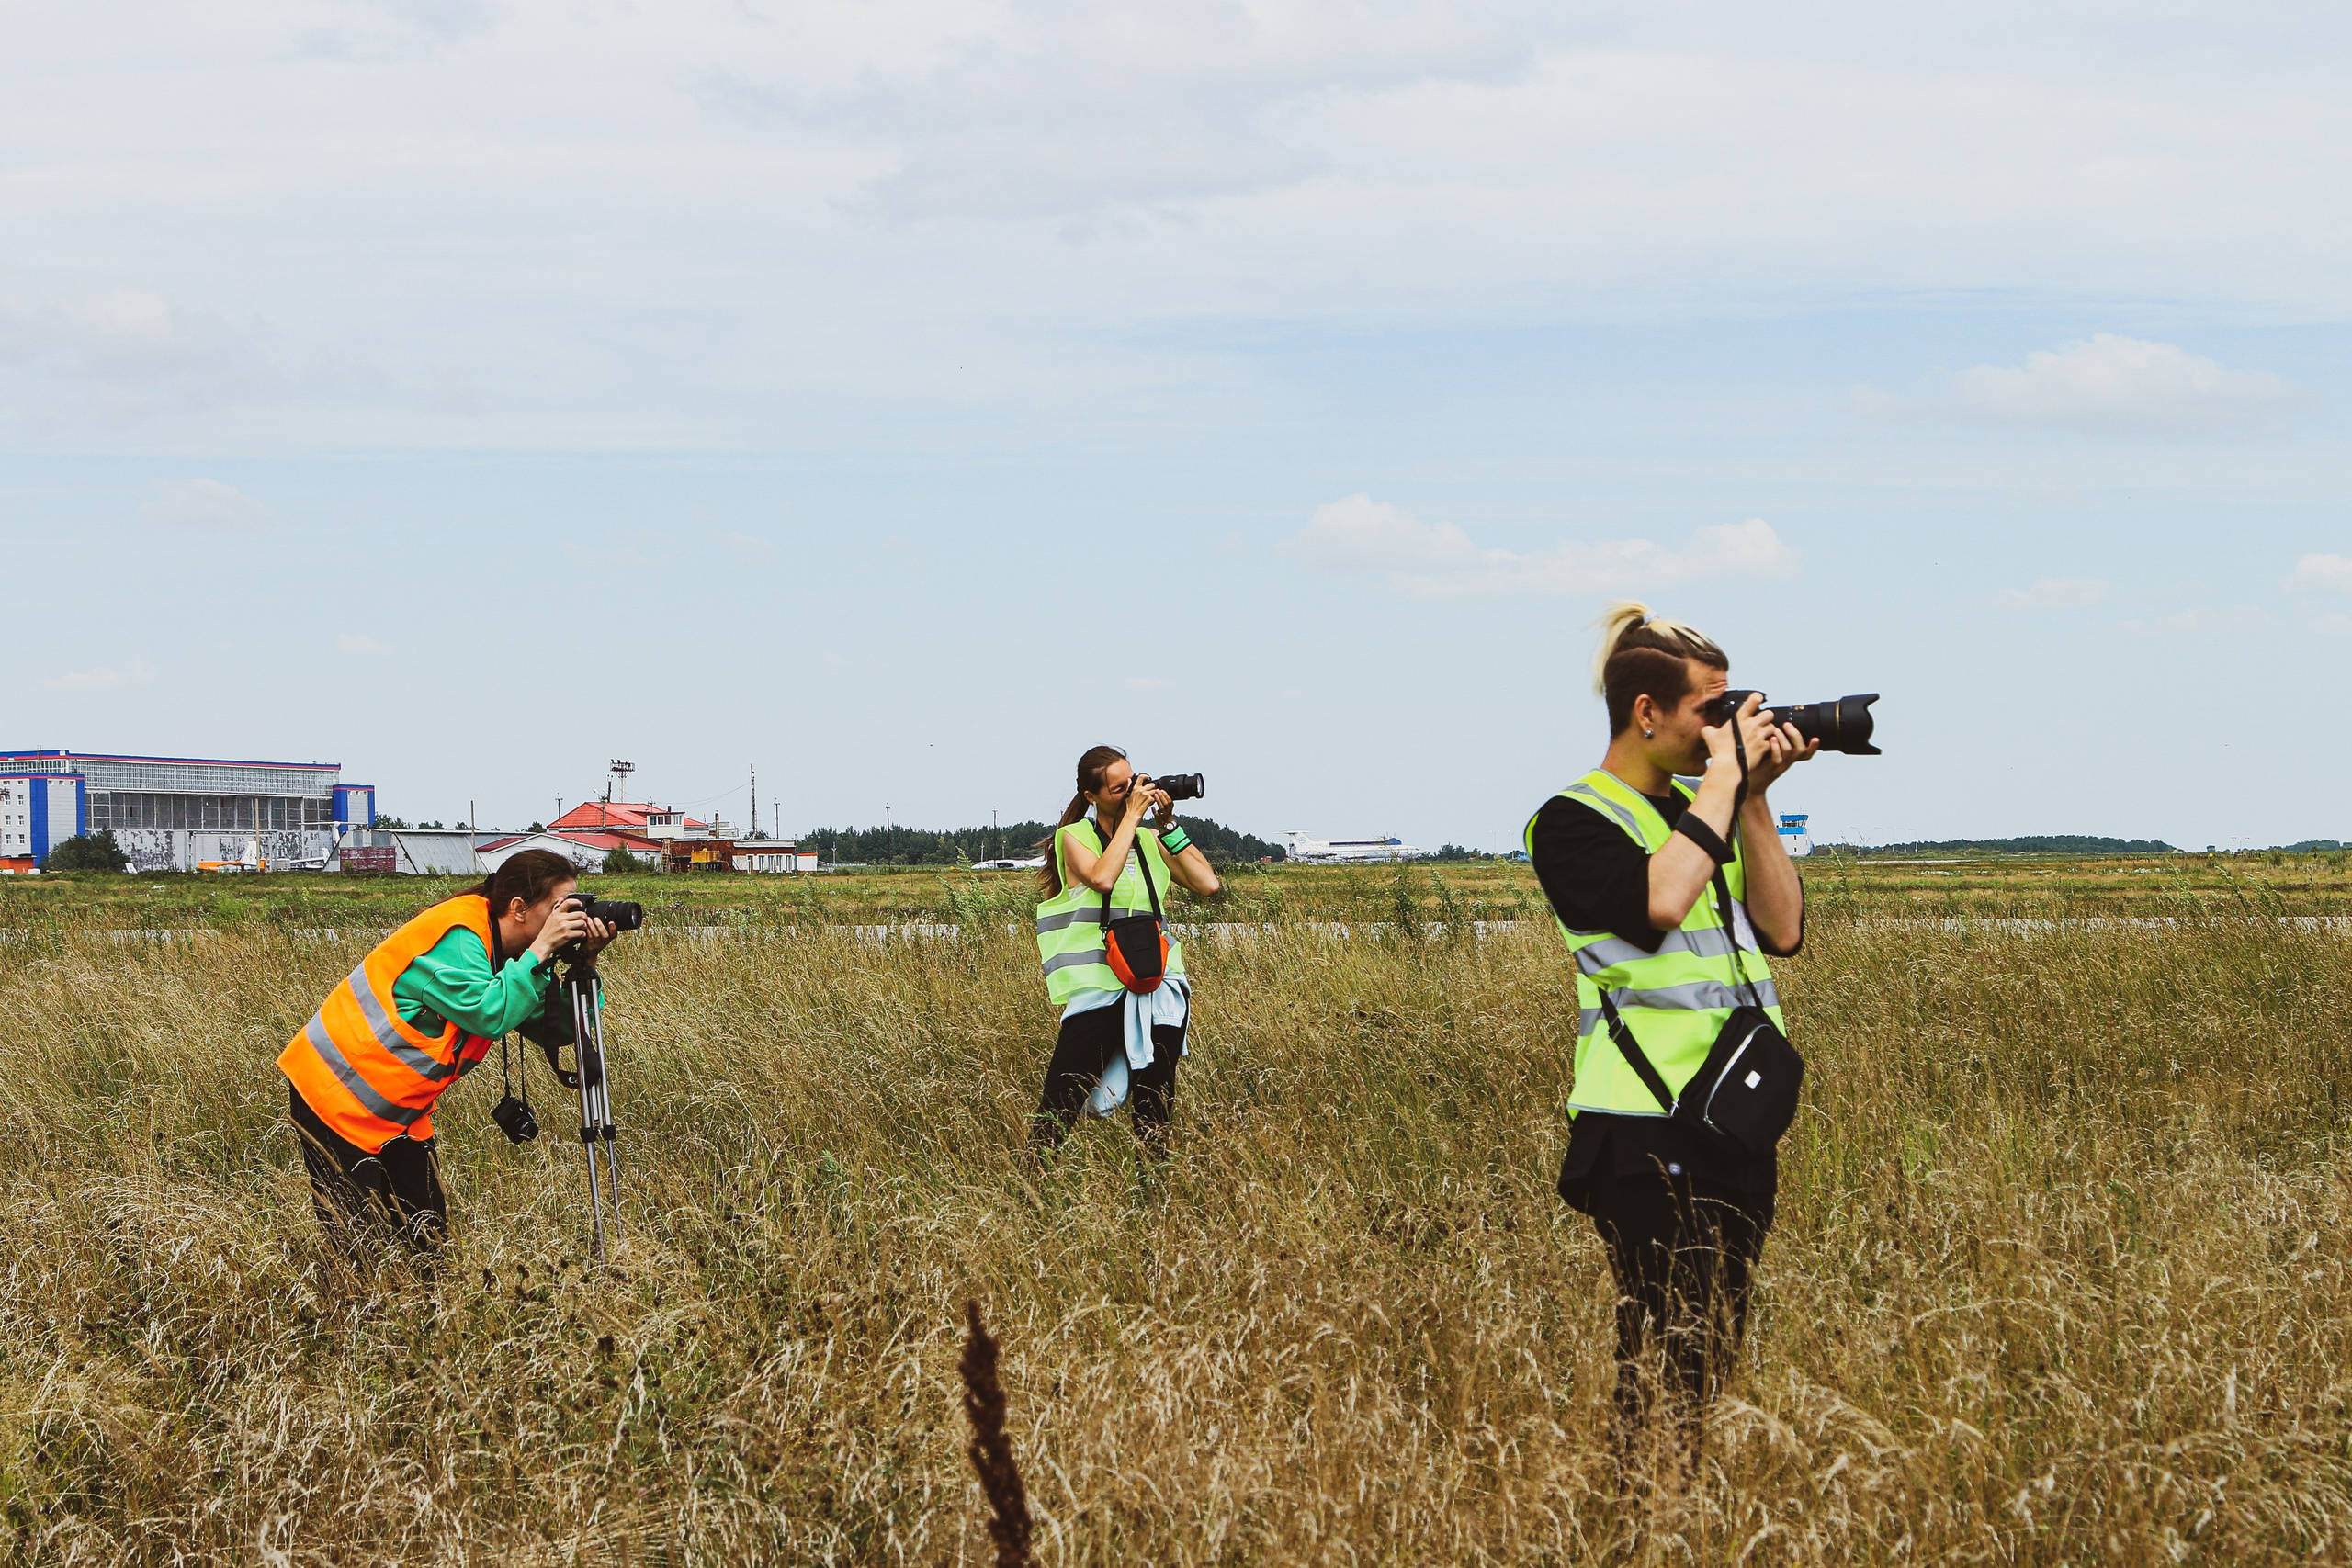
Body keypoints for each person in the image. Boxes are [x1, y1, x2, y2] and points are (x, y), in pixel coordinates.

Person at [1524, 602, 1817, 1467]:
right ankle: (1640, 1499)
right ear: (1646, 712)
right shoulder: (1573, 820)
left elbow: (1784, 928)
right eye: (1709, 710)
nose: (1721, 731)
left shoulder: (1712, 806)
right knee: (1666, 1336)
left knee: (1712, 1336)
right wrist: (1725, 786)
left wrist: (1754, 801)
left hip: (1732, 1114)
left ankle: (1665, 1499)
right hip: (1642, 1121)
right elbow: (1656, 906)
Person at [277, 849, 614, 1260]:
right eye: (560, 908)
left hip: (398, 1108)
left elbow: (558, 1029)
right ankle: (353, 1317)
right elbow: (490, 1014)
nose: (571, 918)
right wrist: (541, 950)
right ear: (519, 908)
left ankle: (424, 1314)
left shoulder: (510, 954)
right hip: (335, 1092)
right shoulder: (459, 936)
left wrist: (587, 960)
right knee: (355, 1243)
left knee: (428, 1238)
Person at [1030, 745, 1220, 1156]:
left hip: (1157, 983)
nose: (1133, 791)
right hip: (1098, 987)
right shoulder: (1073, 837)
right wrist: (1131, 818)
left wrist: (1167, 825)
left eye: (1133, 782)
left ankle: (1155, 1196)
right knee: (1062, 1099)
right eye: (1120, 788)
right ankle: (1028, 1190)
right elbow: (1102, 878)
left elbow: (1208, 885)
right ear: (1091, 797)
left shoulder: (1152, 839)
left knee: (1156, 1105)